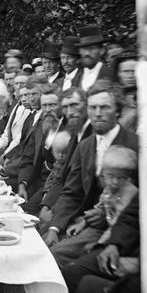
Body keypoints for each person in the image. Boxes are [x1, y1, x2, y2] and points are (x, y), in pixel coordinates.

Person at [42, 81, 138, 249]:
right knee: (40, 236)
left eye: (104, 107)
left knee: (55, 255)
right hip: (81, 217)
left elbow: (139, 202)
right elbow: (72, 192)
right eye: (93, 108)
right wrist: (54, 228)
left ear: (118, 110)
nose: (97, 113)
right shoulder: (85, 145)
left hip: (117, 228)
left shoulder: (136, 146)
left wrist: (104, 214)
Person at [49, 145, 138, 266]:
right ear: (103, 175)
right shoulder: (109, 189)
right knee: (59, 241)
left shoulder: (130, 195)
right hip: (103, 229)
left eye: (121, 178)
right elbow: (101, 206)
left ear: (129, 178)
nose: (115, 182)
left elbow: (119, 225)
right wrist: (83, 223)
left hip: (116, 238)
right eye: (111, 176)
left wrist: (99, 244)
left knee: (66, 253)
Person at [38, 87, 92, 228]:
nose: (70, 112)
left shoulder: (92, 135)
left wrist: (55, 223)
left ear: (86, 105)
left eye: (74, 105)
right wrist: (47, 204)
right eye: (66, 107)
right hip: (66, 198)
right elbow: (62, 175)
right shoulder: (74, 132)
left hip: (83, 211)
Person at [18, 85, 64, 215]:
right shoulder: (43, 125)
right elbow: (29, 156)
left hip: (54, 184)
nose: (48, 110)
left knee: (26, 213)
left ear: (61, 105)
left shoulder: (68, 130)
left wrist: (46, 195)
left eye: (52, 105)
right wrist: (22, 183)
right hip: (36, 177)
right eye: (44, 106)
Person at [77, 24, 113, 91]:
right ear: (79, 51)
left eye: (92, 48)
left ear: (102, 50)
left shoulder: (112, 75)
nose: (87, 53)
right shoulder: (75, 78)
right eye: (84, 49)